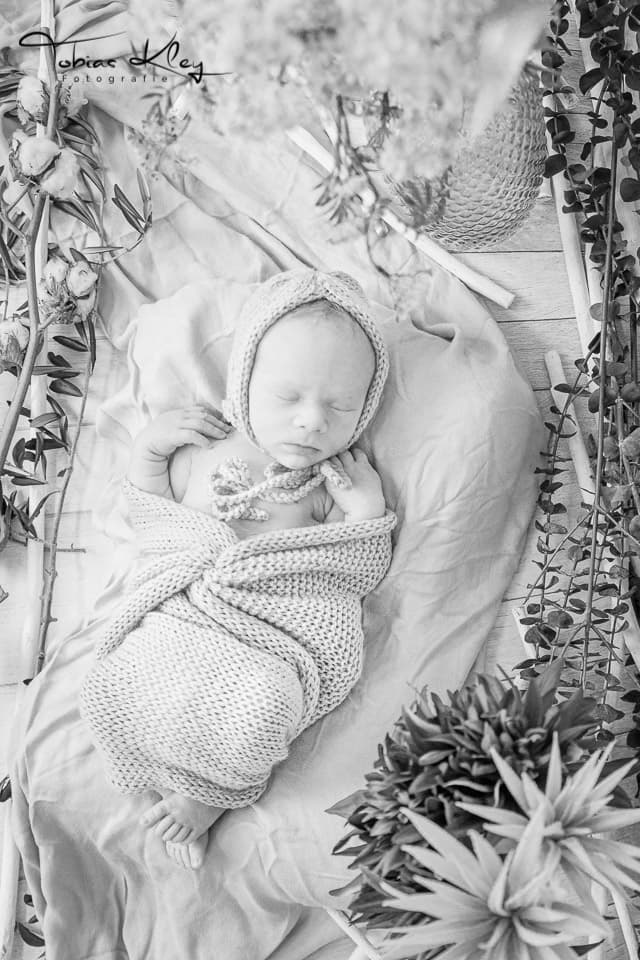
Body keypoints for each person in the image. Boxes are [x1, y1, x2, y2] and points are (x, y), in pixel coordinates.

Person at [81, 268, 396, 869]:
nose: (312, 421)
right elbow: (153, 512)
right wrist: (150, 448)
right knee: (108, 686)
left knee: (266, 708)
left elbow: (347, 566)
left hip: (263, 641)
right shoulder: (207, 447)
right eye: (288, 398)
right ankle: (151, 762)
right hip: (182, 617)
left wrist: (366, 508)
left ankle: (210, 797)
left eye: (339, 406)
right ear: (244, 382)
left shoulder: (326, 485)